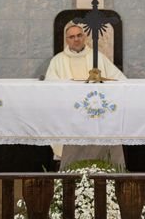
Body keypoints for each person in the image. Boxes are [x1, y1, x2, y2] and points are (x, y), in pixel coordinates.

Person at [45, 22, 126, 169]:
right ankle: (70, 171)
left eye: (79, 35)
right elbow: (50, 87)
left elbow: (119, 80)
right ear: (67, 40)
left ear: (84, 37)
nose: (76, 39)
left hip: (97, 112)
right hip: (69, 112)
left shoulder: (98, 57)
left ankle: (107, 168)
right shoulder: (58, 61)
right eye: (72, 37)